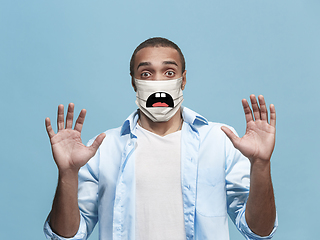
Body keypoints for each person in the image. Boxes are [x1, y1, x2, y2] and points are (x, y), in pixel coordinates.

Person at [44, 37, 278, 240]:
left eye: (169, 72)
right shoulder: (102, 149)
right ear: (134, 81)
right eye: (146, 73)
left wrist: (261, 164)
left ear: (183, 79)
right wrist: (67, 173)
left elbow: (259, 232)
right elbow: (67, 236)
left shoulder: (220, 141)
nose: (157, 82)